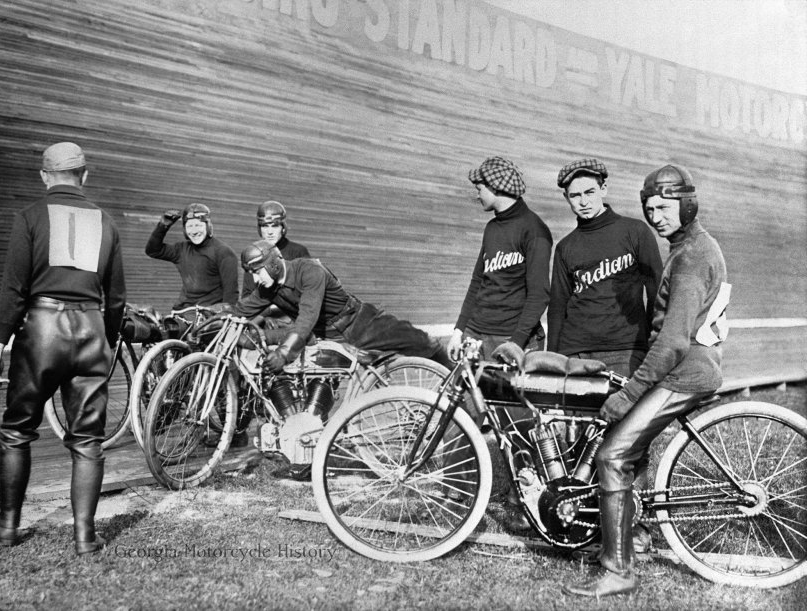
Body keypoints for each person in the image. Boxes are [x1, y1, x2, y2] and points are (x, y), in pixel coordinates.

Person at [564, 164, 730, 598]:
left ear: (687, 203)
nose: (656, 215)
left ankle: (618, 570)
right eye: (649, 207)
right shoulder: (689, 245)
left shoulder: (691, 256)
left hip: (686, 371)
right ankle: (630, 537)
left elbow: (673, 341)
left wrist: (629, 394)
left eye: (665, 205)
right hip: (690, 366)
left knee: (613, 455)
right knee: (625, 450)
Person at [0, 142, 126, 555]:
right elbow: (115, 298)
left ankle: (8, 525)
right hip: (91, 329)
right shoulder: (107, 222)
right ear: (86, 175)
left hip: (42, 330)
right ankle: (84, 537)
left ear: (44, 177)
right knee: (87, 440)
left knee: (15, 431)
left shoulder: (29, 217)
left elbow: (14, 288)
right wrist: (108, 340)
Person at [548, 158, 663, 552]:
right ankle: (589, 522)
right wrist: (557, 366)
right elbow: (558, 308)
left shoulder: (634, 232)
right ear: (567, 199)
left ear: (604, 190)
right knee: (584, 443)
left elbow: (658, 294)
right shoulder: (566, 249)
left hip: (625, 352)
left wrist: (652, 347)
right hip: (580, 355)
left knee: (630, 441)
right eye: (574, 196)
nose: (582, 201)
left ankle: (634, 527)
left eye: (589, 192)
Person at [235, 240, 452, 371]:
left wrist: (284, 353)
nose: (255, 280)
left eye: (257, 271)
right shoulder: (267, 288)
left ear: (273, 264)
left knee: (424, 343)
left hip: (360, 324)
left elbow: (306, 318)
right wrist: (208, 317)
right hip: (328, 339)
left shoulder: (309, 271)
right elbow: (240, 310)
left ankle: (464, 382)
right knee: (315, 391)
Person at [447, 156, 552, 365]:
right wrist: (459, 330)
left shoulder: (534, 230)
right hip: (475, 334)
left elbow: (539, 295)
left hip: (509, 339)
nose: (477, 196)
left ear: (495, 187)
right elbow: (478, 281)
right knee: (465, 397)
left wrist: (516, 342)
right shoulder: (492, 228)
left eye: (479, 189)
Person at [145, 203, 239, 309]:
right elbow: (152, 250)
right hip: (183, 311)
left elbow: (230, 296)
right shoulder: (181, 250)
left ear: (208, 226)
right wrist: (163, 226)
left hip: (209, 315)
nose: (194, 231)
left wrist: (223, 317)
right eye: (189, 226)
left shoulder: (224, 252)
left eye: (198, 225)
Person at [241, 200, 311, 298]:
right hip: (259, 310)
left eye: (275, 226)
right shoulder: (254, 254)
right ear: (259, 229)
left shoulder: (298, 252)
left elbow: (309, 291)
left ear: (283, 228)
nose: (270, 232)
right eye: (265, 226)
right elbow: (247, 294)